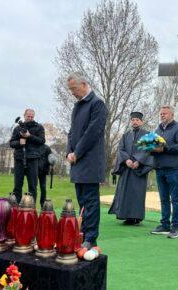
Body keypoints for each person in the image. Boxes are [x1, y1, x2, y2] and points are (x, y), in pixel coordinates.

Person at [66, 72, 108, 250]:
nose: (72, 93)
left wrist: (77, 152)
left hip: (89, 161)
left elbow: (93, 132)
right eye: (70, 90)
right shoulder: (77, 106)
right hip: (77, 161)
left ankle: (91, 237)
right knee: (82, 201)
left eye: (74, 89)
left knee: (90, 201)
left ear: (83, 84)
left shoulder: (97, 104)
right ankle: (83, 233)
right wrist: (69, 151)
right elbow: (72, 131)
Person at [109, 112, 154, 225]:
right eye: (133, 119)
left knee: (137, 193)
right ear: (131, 121)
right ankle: (126, 216)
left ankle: (136, 217)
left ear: (141, 122)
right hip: (127, 168)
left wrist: (138, 161)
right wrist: (127, 160)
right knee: (125, 193)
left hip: (139, 169)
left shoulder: (147, 135)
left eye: (137, 120)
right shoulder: (126, 135)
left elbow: (148, 150)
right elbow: (121, 149)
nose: (135, 122)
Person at [150, 105, 178, 239]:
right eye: (161, 114)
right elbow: (153, 146)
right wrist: (149, 149)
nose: (162, 116)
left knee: (175, 199)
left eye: (165, 114)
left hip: (173, 168)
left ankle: (175, 227)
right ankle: (165, 225)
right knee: (163, 199)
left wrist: (165, 149)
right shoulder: (158, 130)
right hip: (159, 167)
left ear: (172, 114)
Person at [9, 109, 45, 204]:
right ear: (24, 116)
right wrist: (19, 142)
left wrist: (30, 136)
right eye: (28, 116)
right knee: (17, 186)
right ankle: (16, 209)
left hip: (33, 159)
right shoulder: (17, 128)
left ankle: (31, 210)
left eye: (32, 117)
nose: (30, 118)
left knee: (33, 186)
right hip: (19, 159)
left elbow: (42, 141)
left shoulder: (39, 127)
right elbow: (11, 143)